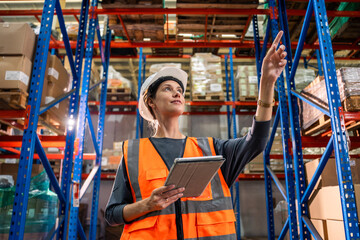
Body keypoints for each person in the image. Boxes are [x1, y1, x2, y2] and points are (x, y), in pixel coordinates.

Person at [105, 31, 287, 240]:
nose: (177, 93)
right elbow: (112, 214)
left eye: (180, 90)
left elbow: (256, 141)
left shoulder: (211, 149)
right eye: (167, 89)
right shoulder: (134, 153)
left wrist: (267, 83)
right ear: (151, 102)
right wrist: (148, 204)